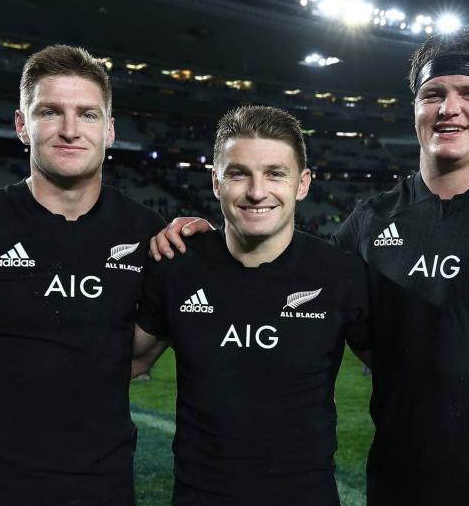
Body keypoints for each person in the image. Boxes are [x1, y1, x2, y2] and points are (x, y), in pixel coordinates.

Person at [150, 31, 469, 504]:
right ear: (414, 107)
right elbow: (288, 277)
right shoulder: (368, 223)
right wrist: (200, 236)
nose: (449, 108)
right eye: (433, 94)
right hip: (398, 487)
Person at [0, 44, 165, 506]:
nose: (69, 130)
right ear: (22, 125)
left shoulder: (148, 235)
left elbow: (138, 356)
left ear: (109, 130)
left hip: (104, 485)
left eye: (87, 114)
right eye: (49, 112)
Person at [133, 105, 371, 505]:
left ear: (303, 183)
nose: (257, 191)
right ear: (215, 182)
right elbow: (127, 361)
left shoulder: (340, 274)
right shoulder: (177, 266)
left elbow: (404, 380)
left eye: (275, 173)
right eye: (238, 173)